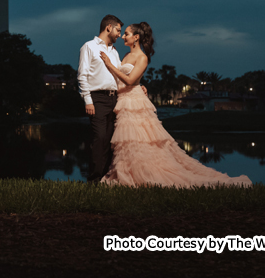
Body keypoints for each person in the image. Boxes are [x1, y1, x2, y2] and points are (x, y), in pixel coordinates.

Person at [99, 22, 252, 188]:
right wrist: (138, 83)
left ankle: (144, 174)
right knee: (128, 142)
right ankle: (126, 173)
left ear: (136, 37)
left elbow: (129, 79)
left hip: (134, 102)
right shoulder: (127, 56)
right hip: (124, 100)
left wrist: (110, 65)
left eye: (126, 33)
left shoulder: (142, 57)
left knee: (139, 141)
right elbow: (129, 79)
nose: (123, 36)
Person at [78, 15, 146, 183]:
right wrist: (88, 100)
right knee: (99, 137)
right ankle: (94, 180)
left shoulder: (114, 52)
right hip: (97, 98)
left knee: (110, 141)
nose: (119, 35)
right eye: (118, 30)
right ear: (108, 28)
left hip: (115, 99)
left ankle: (105, 179)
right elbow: (82, 76)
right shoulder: (89, 47)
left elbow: (120, 76)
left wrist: (138, 85)